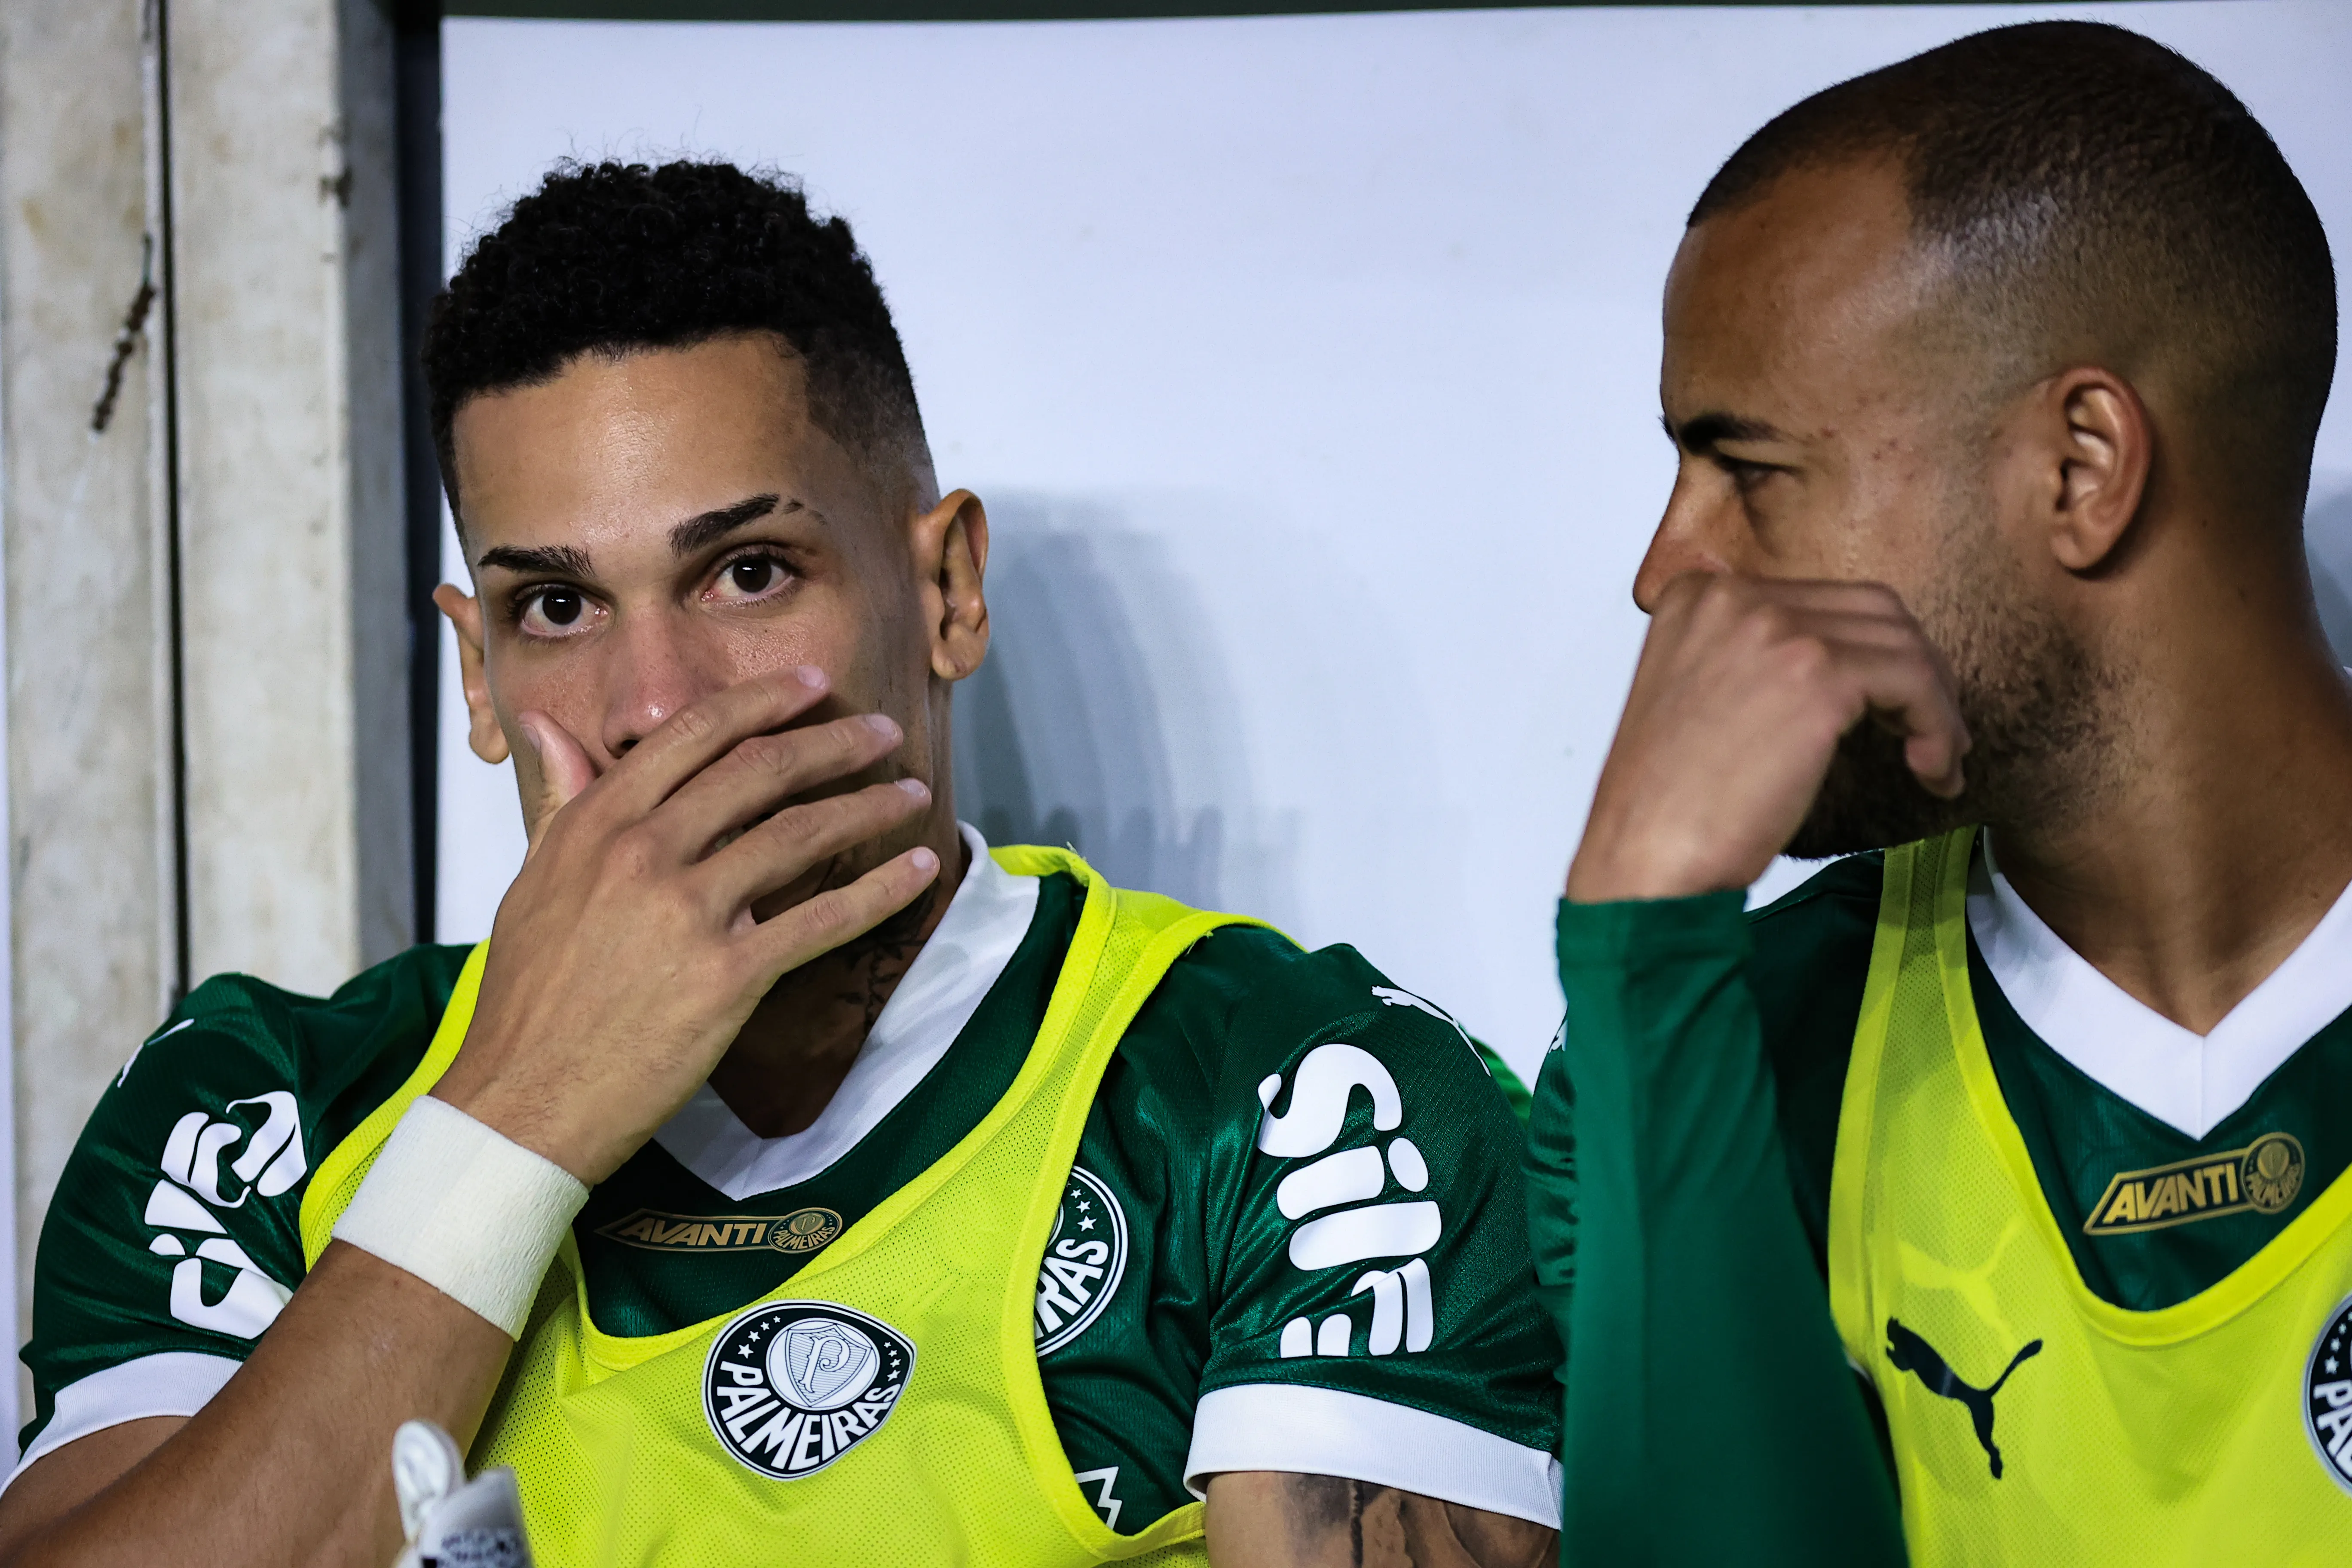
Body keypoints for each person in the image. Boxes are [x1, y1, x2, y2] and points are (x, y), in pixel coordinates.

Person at [0, 161, 1559, 1567]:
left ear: (946, 590)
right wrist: (515, 1122)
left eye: (748, 574)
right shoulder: (261, 1112)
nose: (658, 710)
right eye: (557, 608)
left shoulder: (1288, 1097)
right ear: (476, 674)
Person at [1529, 20, 2350, 1566]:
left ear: (2082, 469)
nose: (1664, 579)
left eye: (1748, 470)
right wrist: (1642, 944)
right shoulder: (1721, 1041)